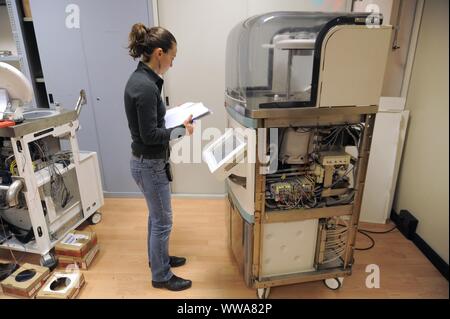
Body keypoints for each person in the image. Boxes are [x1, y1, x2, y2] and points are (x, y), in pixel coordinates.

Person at [124, 23, 194, 291]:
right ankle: (162, 276)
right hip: (149, 164)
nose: (172, 64)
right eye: (172, 58)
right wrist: (180, 130)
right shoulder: (144, 86)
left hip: (146, 162)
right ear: (159, 53)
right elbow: (150, 135)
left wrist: (172, 114)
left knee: (156, 217)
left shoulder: (145, 80)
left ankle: (159, 260)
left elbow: (151, 121)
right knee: (163, 221)